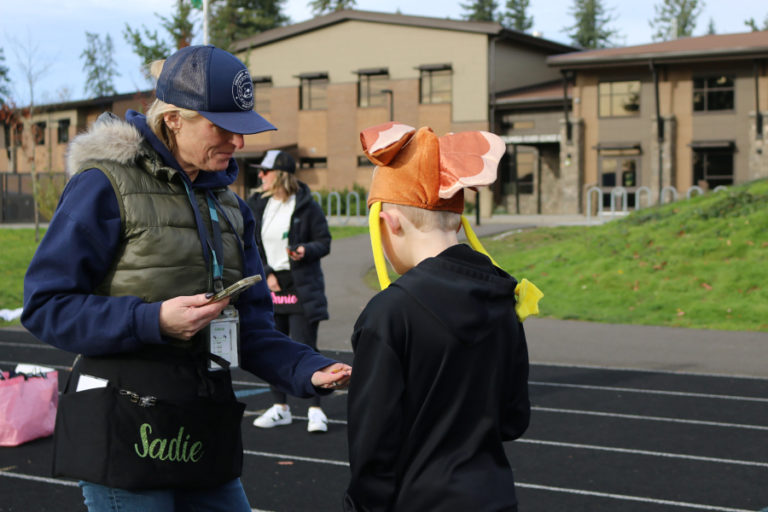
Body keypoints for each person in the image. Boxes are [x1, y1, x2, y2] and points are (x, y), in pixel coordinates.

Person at [21, 44, 350, 512]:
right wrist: (151, 320)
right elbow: (45, 306)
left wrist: (307, 368)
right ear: (174, 118)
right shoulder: (104, 183)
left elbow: (251, 327)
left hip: (202, 423)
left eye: (244, 129)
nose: (239, 144)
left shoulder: (233, 207)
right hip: (125, 426)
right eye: (223, 127)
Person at [343, 122, 542, 512]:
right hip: (494, 499)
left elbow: (372, 452)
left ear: (389, 221)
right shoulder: (504, 296)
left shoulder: (389, 314)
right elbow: (513, 420)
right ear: (457, 219)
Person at [246, 150, 332, 433]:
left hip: (301, 286)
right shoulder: (258, 204)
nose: (260, 176)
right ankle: (280, 407)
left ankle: (315, 410)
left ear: (281, 174)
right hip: (271, 285)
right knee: (274, 346)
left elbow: (324, 241)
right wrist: (268, 273)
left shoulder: (306, 205)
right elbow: (251, 245)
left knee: (305, 345)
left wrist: (306, 250)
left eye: (265, 171)